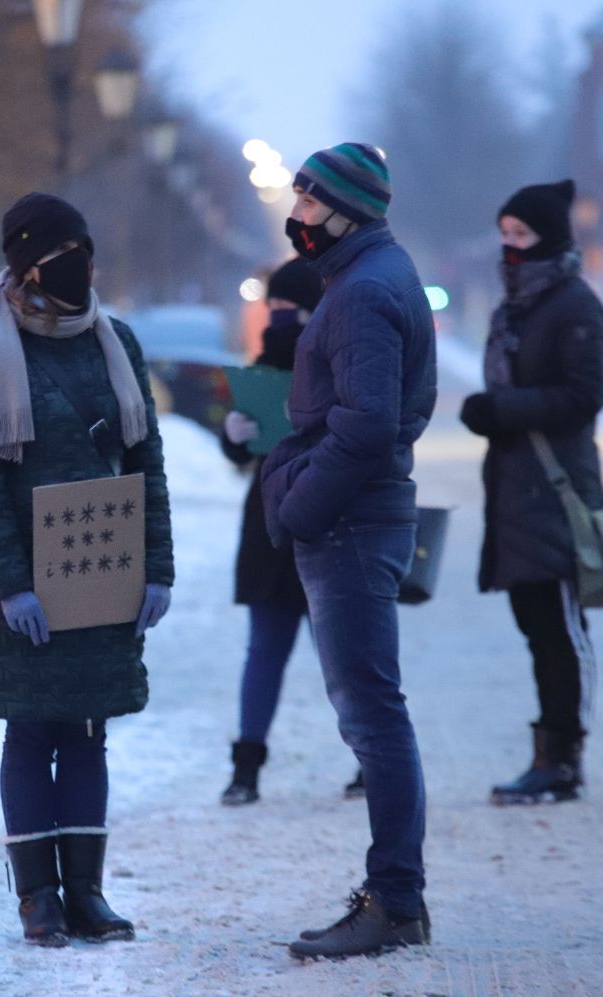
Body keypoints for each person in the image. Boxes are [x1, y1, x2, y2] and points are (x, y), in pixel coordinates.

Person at [0, 193, 174, 949]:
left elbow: (149, 466)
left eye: (85, 250)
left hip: (103, 568)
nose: (82, 268)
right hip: (27, 582)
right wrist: (12, 584)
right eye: (63, 257)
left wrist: (158, 570)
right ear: (27, 269)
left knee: (88, 731)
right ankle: (37, 899)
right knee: (29, 730)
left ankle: (87, 891)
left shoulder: (117, 342)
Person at [259, 144, 436, 959]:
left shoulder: (363, 291)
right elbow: (403, 407)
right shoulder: (375, 275)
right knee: (373, 713)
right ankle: (394, 896)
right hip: (360, 518)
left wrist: (301, 505)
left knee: (373, 718)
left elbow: (368, 422)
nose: (295, 217)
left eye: (305, 202)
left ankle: (394, 902)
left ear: (344, 210)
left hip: (352, 526)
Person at [457, 179, 603, 807]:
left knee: (558, 627)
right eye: (505, 236)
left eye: (522, 236)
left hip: (556, 486)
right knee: (532, 621)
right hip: (516, 488)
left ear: (550, 238)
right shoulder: (514, 307)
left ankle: (562, 758)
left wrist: (502, 409)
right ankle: (549, 753)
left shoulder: (575, 306)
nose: (511, 247)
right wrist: (497, 413)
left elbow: (585, 395)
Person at [218, 258, 323, 806]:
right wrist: (235, 434)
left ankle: (369, 761)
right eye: (273, 308)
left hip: (324, 524)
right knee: (264, 651)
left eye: (289, 309)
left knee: (343, 655)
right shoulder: (260, 368)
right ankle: (246, 767)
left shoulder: (335, 363)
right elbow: (242, 446)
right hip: (268, 526)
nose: (278, 319)